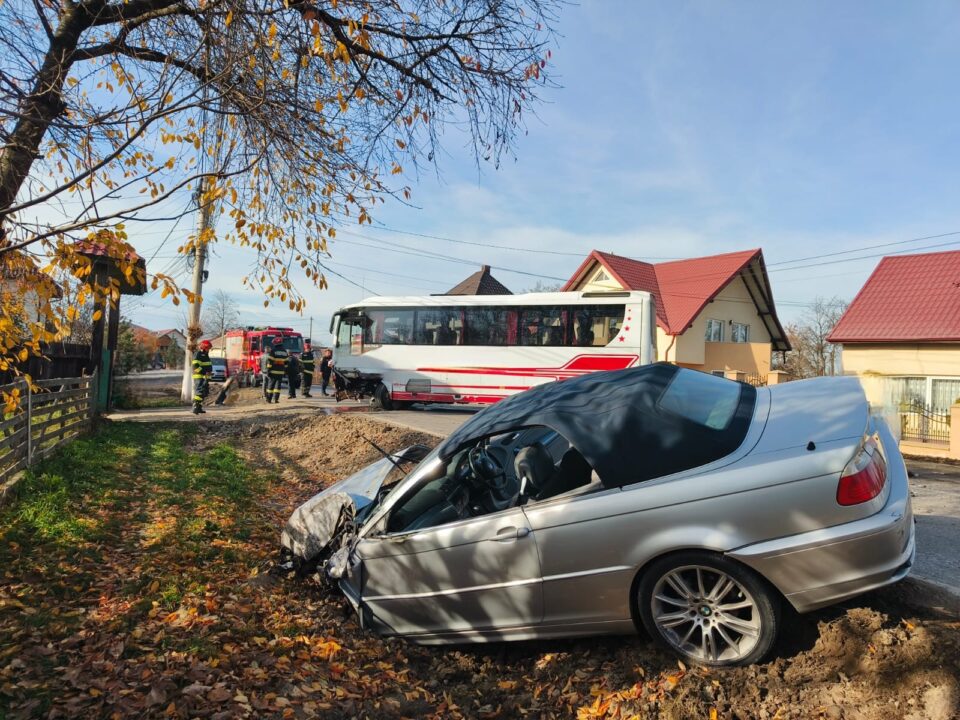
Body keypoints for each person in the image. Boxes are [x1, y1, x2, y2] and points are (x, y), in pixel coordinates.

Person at [191, 339, 213, 414]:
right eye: (208, 348)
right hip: (199, 376)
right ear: (203, 347)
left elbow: (206, 366)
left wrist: (208, 374)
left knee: (204, 392)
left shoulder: (205, 355)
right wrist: (204, 372)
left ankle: (199, 407)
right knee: (199, 391)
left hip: (204, 376)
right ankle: (195, 407)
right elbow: (195, 366)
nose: (208, 350)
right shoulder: (198, 354)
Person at [265, 336, 288, 403]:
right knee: (278, 386)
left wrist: (268, 370)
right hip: (281, 372)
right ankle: (276, 399)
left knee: (271, 386)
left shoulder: (273, 351)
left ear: (275, 343)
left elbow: (270, 362)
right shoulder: (284, 351)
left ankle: (269, 399)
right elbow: (286, 363)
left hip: (273, 372)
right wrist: (284, 370)